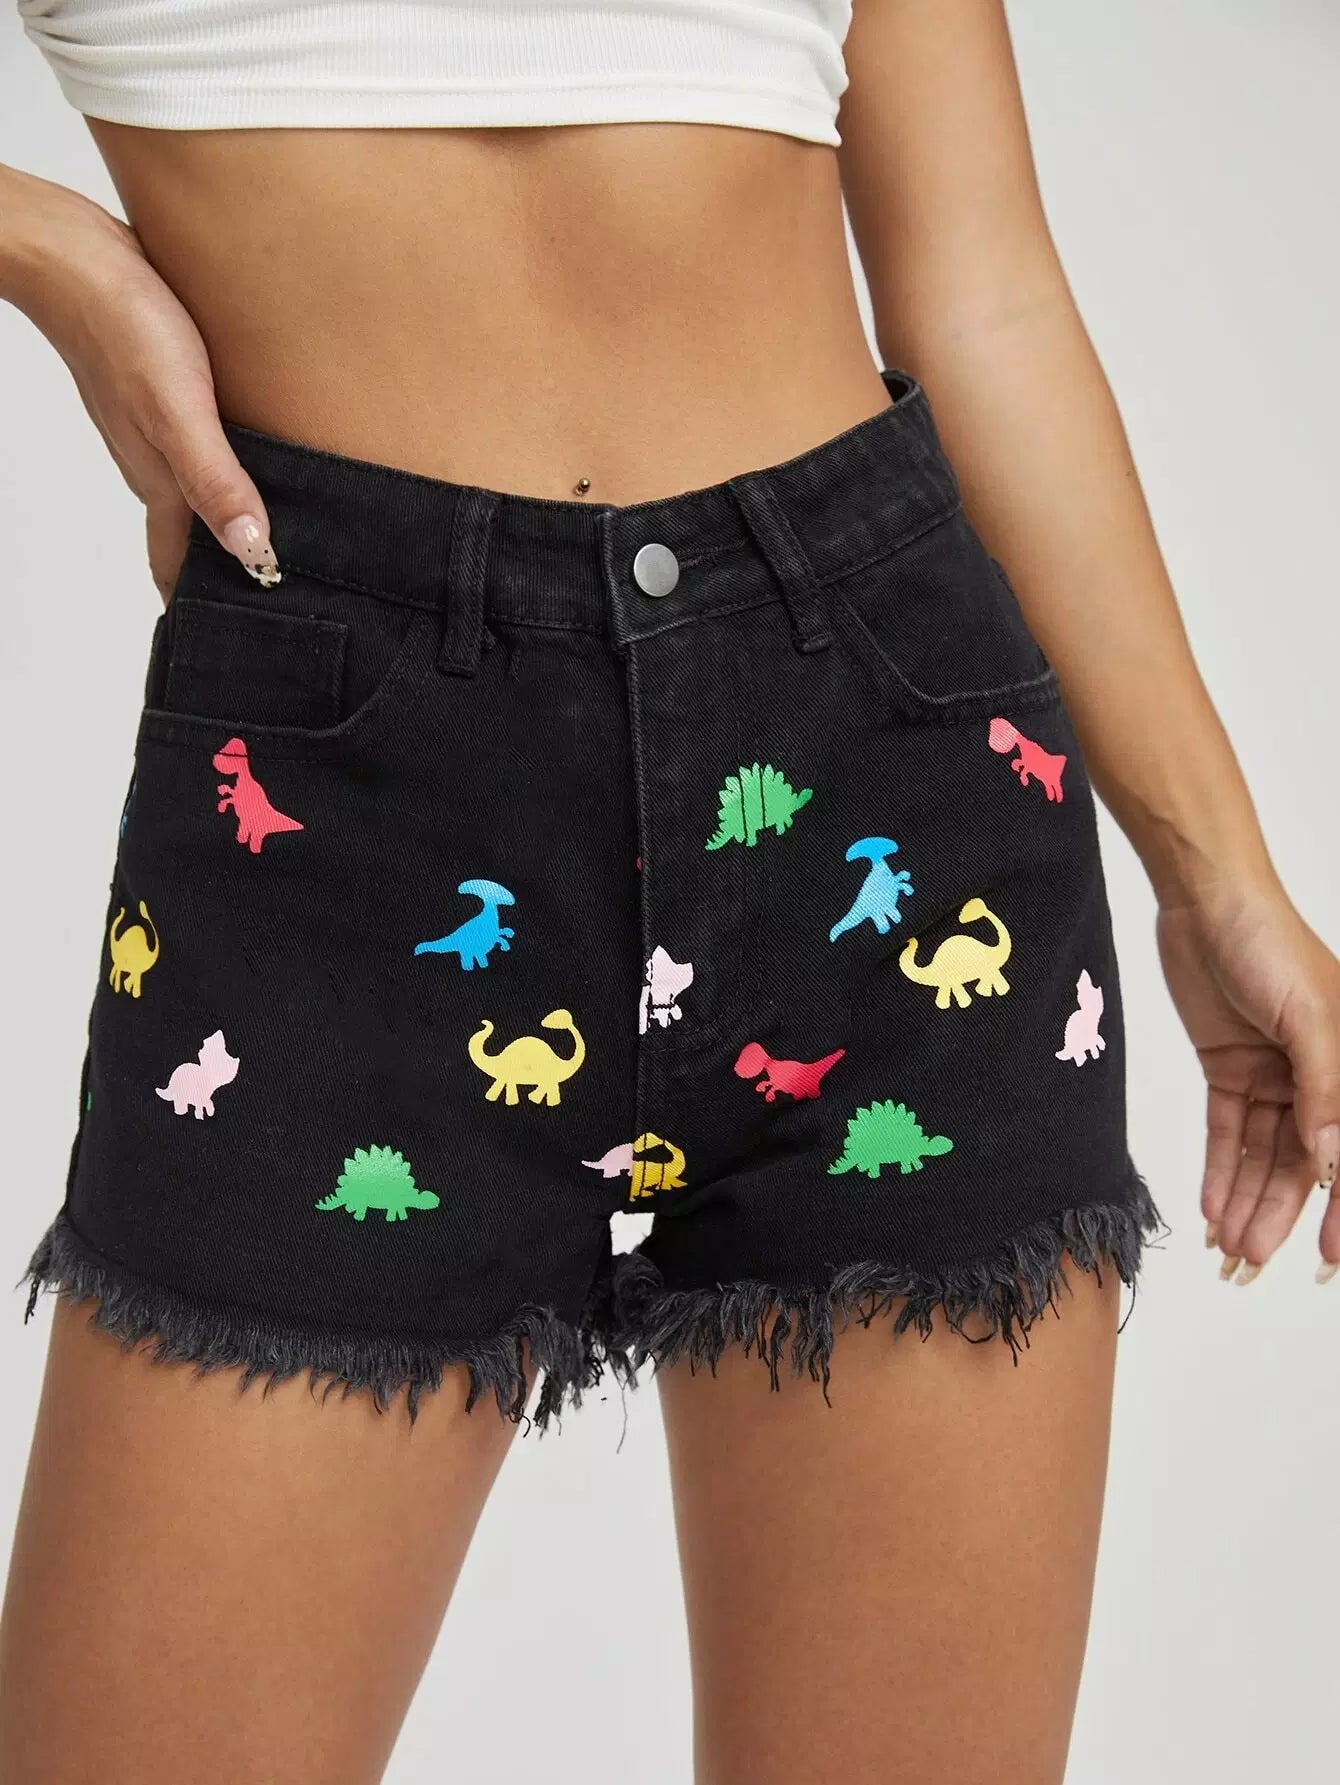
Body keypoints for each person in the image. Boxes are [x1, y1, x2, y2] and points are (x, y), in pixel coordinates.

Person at [0, 3, 1336, 1779]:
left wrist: (1217, 877)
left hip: (886, 743)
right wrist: (56, 257)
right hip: (339, 806)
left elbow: (983, 289)